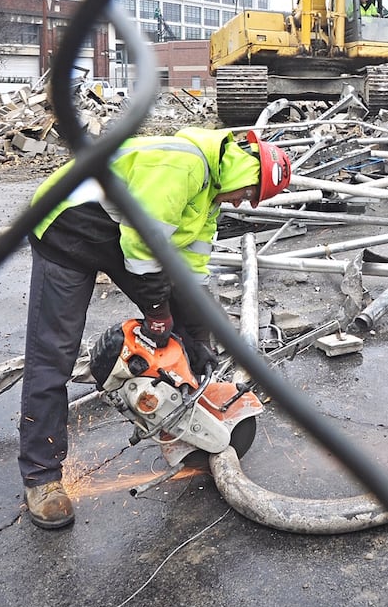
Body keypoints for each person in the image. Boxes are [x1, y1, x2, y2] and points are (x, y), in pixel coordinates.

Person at [18, 126, 292, 529]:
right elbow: (143, 247)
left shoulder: (208, 195)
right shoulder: (180, 164)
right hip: (68, 228)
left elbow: (193, 269)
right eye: (250, 195)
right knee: (53, 354)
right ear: (246, 173)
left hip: (119, 234)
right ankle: (41, 478)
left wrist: (197, 338)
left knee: (185, 319)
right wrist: (156, 311)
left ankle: (184, 409)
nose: (245, 204)